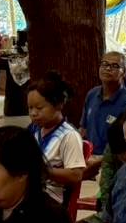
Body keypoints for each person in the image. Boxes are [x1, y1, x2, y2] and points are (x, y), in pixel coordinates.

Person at [26, 71, 86, 205]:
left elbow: (76, 175)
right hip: (30, 192)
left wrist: (43, 171)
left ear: (58, 105)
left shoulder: (69, 136)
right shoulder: (33, 129)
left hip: (51, 200)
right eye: (30, 108)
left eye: (39, 108)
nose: (33, 113)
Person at [78, 50, 126, 162]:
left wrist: (101, 160)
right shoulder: (92, 94)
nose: (108, 68)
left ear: (124, 72)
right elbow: (83, 129)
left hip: (113, 161)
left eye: (114, 66)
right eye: (104, 64)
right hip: (88, 157)